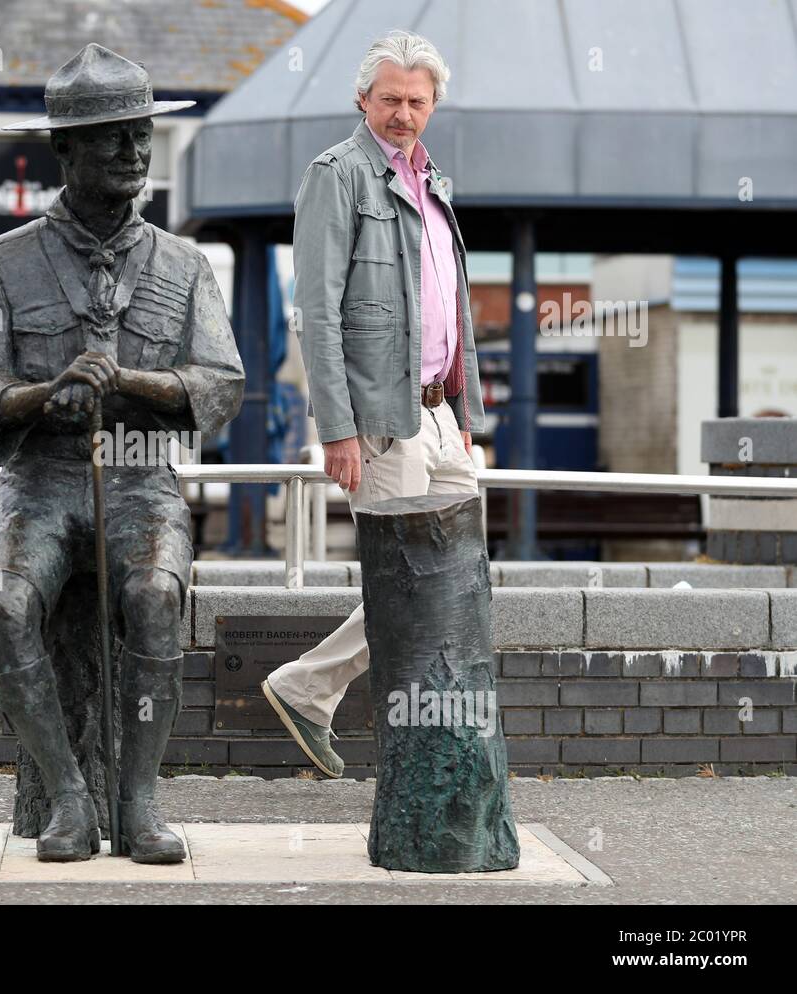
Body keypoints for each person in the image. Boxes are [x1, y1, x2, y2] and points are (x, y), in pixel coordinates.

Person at [0, 44, 244, 862]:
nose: (133, 152)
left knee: (156, 594)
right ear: (65, 150)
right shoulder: (4, 264)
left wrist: (135, 383)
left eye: (142, 134)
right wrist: (47, 397)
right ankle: (71, 799)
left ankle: (139, 800)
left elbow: (220, 383)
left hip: (140, 479)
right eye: (112, 136)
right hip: (40, 482)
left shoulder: (184, 266)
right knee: (4, 603)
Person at [262, 30, 486, 777]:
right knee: (407, 583)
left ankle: (307, 688)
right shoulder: (338, 175)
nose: (402, 113)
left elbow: (454, 310)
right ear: (363, 98)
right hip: (378, 420)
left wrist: (467, 420)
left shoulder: (435, 183)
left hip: (438, 415)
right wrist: (338, 429)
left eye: (416, 101)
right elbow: (318, 314)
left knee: (459, 573)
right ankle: (406, 747)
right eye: (389, 98)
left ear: (435, 104)